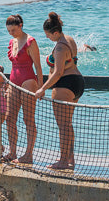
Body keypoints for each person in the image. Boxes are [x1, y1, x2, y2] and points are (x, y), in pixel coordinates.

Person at [34, 12, 84, 170]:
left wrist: (42, 88)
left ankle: (63, 161)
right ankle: (70, 159)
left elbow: (58, 72)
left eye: (48, 35)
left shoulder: (61, 47)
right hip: (77, 83)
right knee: (68, 125)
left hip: (64, 84)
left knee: (63, 125)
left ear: (55, 32)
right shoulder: (69, 39)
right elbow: (73, 61)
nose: (47, 37)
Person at [4, 13, 42, 164]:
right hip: (13, 81)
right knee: (9, 118)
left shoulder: (30, 41)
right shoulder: (12, 41)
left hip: (28, 81)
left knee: (28, 119)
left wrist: (41, 87)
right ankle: (13, 151)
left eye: (13, 30)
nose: (11, 33)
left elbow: (38, 66)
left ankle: (28, 154)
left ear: (21, 26)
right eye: (9, 31)